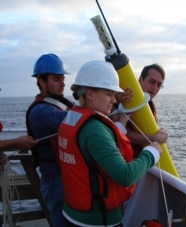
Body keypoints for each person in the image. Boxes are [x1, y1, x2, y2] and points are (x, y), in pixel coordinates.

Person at [58, 60, 162, 227]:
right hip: (97, 221)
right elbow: (125, 176)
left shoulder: (71, 118)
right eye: (109, 94)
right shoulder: (95, 129)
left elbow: (90, 149)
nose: (114, 100)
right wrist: (151, 153)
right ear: (90, 93)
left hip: (72, 215)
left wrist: (122, 121)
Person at [26, 53, 73, 227]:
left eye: (62, 78)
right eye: (56, 79)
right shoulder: (41, 111)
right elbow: (74, 121)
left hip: (65, 177)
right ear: (41, 81)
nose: (62, 83)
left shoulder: (56, 104)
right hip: (55, 181)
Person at [115, 64, 168, 157]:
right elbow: (119, 132)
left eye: (159, 85)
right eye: (152, 82)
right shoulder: (124, 99)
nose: (155, 87)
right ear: (140, 79)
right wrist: (155, 138)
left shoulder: (150, 105)